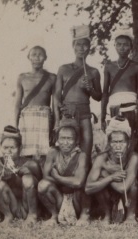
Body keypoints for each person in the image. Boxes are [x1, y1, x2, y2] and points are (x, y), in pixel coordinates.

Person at [54, 25, 102, 164]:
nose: (81, 48)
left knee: (86, 151)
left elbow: (98, 96)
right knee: (66, 150)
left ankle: (83, 181)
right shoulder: (63, 69)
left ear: (89, 48)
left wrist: (90, 89)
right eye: (78, 44)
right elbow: (57, 96)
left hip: (85, 113)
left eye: (85, 45)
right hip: (67, 113)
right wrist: (57, 120)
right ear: (73, 46)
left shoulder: (93, 72)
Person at [85, 117, 138, 225]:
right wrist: (110, 177)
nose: (118, 146)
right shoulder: (102, 158)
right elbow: (88, 188)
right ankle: (107, 215)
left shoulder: (133, 157)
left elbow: (123, 188)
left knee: (133, 184)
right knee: (99, 183)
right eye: (114, 142)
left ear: (128, 144)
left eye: (122, 142)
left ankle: (130, 216)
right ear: (109, 144)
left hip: (126, 196)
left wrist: (104, 173)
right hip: (108, 195)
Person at [37, 118, 90, 226]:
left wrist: (58, 177)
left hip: (77, 200)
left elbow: (79, 182)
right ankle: (54, 215)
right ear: (57, 139)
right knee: (42, 185)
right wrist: (69, 181)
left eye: (70, 139)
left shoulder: (82, 156)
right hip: (59, 197)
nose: (65, 142)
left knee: (85, 186)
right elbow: (46, 176)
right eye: (62, 138)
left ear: (76, 140)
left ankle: (84, 215)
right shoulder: (53, 152)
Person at [0, 126, 41, 225]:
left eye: (12, 148)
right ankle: (8, 216)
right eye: (5, 148)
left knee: (28, 179)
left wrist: (27, 174)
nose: (8, 151)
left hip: (27, 206)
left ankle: (32, 216)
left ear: (20, 149)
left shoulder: (31, 165)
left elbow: (40, 191)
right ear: (0, 147)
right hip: (10, 206)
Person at [14, 46, 56, 166]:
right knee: (25, 151)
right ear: (28, 57)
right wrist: (15, 124)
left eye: (40, 55)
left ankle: (43, 179)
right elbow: (17, 104)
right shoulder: (22, 77)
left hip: (44, 118)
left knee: (45, 153)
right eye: (34, 55)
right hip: (26, 119)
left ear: (45, 58)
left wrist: (55, 124)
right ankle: (29, 177)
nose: (37, 58)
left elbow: (55, 102)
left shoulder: (52, 78)